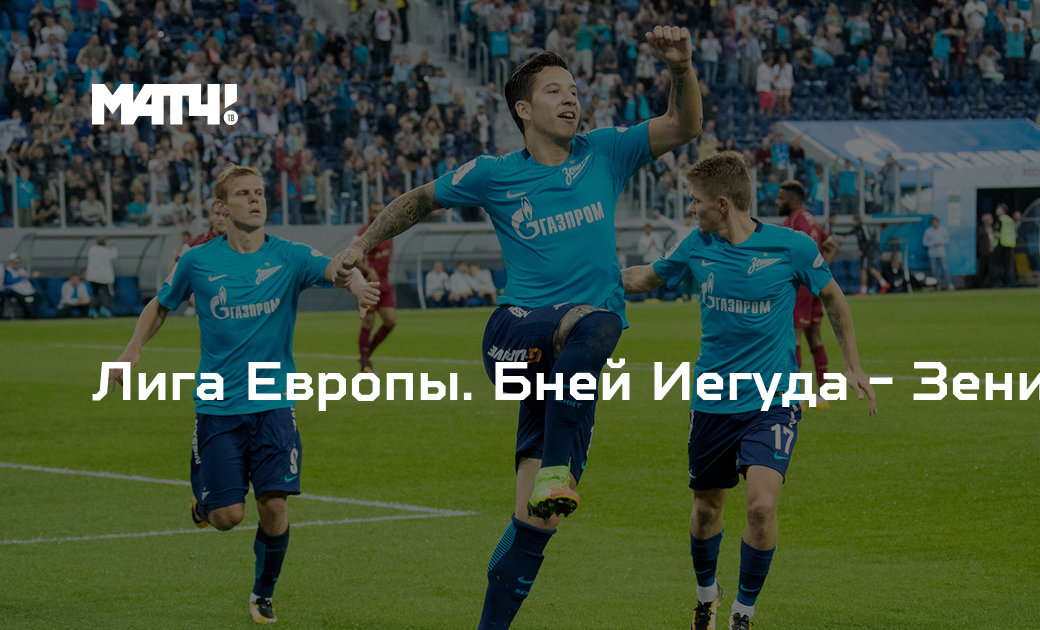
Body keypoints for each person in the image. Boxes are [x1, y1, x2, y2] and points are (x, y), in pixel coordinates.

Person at [332, 29, 702, 628]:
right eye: (555, 90)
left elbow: (683, 126)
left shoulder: (606, 151)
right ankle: (555, 466)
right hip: (515, 339)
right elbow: (419, 200)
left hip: (572, 369)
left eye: (574, 89)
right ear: (524, 110)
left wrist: (681, 68)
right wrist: (361, 243)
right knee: (597, 317)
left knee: (537, 522)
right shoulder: (493, 173)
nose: (571, 98)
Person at [106, 165, 378, 624]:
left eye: (260, 192)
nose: (255, 200)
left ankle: (262, 593)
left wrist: (356, 285)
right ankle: (204, 505)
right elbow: (161, 304)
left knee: (274, 505)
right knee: (227, 517)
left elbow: (335, 268)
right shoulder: (197, 261)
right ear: (222, 207)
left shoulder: (288, 256)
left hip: (275, 404)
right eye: (244, 194)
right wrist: (132, 349)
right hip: (219, 406)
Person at [620, 152, 877, 630]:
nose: (690, 209)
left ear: (722, 204)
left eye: (695, 201)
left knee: (761, 505)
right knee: (707, 509)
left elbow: (833, 297)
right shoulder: (697, 245)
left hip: (773, 399)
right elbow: (647, 277)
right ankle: (706, 597)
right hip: (713, 399)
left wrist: (853, 366)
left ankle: (744, 612)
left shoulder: (792, 247)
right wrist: (592, 282)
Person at [778, 180, 839, 410]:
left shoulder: (795, 222)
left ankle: (796, 396)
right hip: (813, 289)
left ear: (795, 199)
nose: (777, 202)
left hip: (800, 291)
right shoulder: (811, 219)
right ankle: (823, 396)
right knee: (815, 339)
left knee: (794, 341)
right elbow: (832, 247)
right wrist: (820, 274)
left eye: (782, 198)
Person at [355, 202, 397, 373]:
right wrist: (368, 270)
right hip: (368, 284)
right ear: (368, 213)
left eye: (380, 210)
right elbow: (354, 257)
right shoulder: (363, 233)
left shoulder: (390, 231)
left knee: (391, 321)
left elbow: (389, 252)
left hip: (384, 282)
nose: (377, 213)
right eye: (374, 211)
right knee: (368, 322)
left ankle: (366, 353)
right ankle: (365, 364)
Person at [86, 236, 118, 318]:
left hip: (93, 277)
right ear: (105, 243)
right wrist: (113, 246)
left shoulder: (92, 250)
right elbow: (114, 255)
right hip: (104, 278)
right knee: (107, 294)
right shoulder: (106, 251)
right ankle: (104, 309)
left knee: (95, 294)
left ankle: (92, 310)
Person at [3, 253, 39, 318]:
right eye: (15, 262)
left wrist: (33, 277)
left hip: (27, 291)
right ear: (11, 262)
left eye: (18, 262)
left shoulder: (21, 270)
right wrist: (22, 277)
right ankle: (28, 315)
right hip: (14, 291)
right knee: (23, 300)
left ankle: (34, 315)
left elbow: (28, 279)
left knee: (37, 297)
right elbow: (10, 281)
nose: (17, 264)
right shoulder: (7, 271)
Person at [923, 216, 951, 290]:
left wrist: (941, 243)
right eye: (933, 222)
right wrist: (933, 244)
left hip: (941, 252)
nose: (935, 223)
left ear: (938, 222)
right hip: (932, 253)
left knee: (945, 268)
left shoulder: (943, 230)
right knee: (934, 270)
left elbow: (947, 240)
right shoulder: (928, 231)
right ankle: (937, 285)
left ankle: (949, 284)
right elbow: (925, 243)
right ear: (931, 223)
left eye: (936, 222)